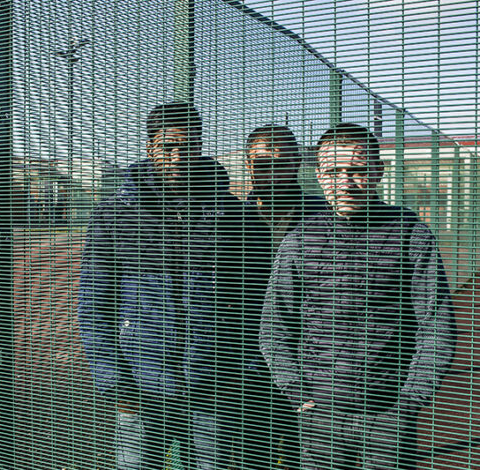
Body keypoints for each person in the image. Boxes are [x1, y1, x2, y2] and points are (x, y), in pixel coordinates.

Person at [78, 102, 268, 469]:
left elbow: (256, 302)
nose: (179, 156)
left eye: (190, 146)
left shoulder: (233, 214)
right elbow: (93, 304)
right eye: (169, 147)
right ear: (150, 147)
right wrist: (115, 384)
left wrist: (240, 370)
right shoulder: (115, 214)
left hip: (213, 385)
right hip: (141, 385)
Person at [260, 123, 456, 469]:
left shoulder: (410, 233)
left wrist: (407, 406)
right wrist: (298, 397)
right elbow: (274, 329)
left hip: (388, 417)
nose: (345, 183)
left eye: (357, 170)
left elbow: (436, 328)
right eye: (334, 171)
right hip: (320, 419)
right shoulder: (299, 240)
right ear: (319, 175)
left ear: (378, 172)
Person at [244, 124, 323, 469]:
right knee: (252, 451)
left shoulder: (324, 215)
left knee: (303, 451)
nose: (272, 172)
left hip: (309, 363)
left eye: (282, 162)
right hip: (247, 363)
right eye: (261, 163)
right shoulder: (232, 218)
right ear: (248, 166)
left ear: (297, 164)